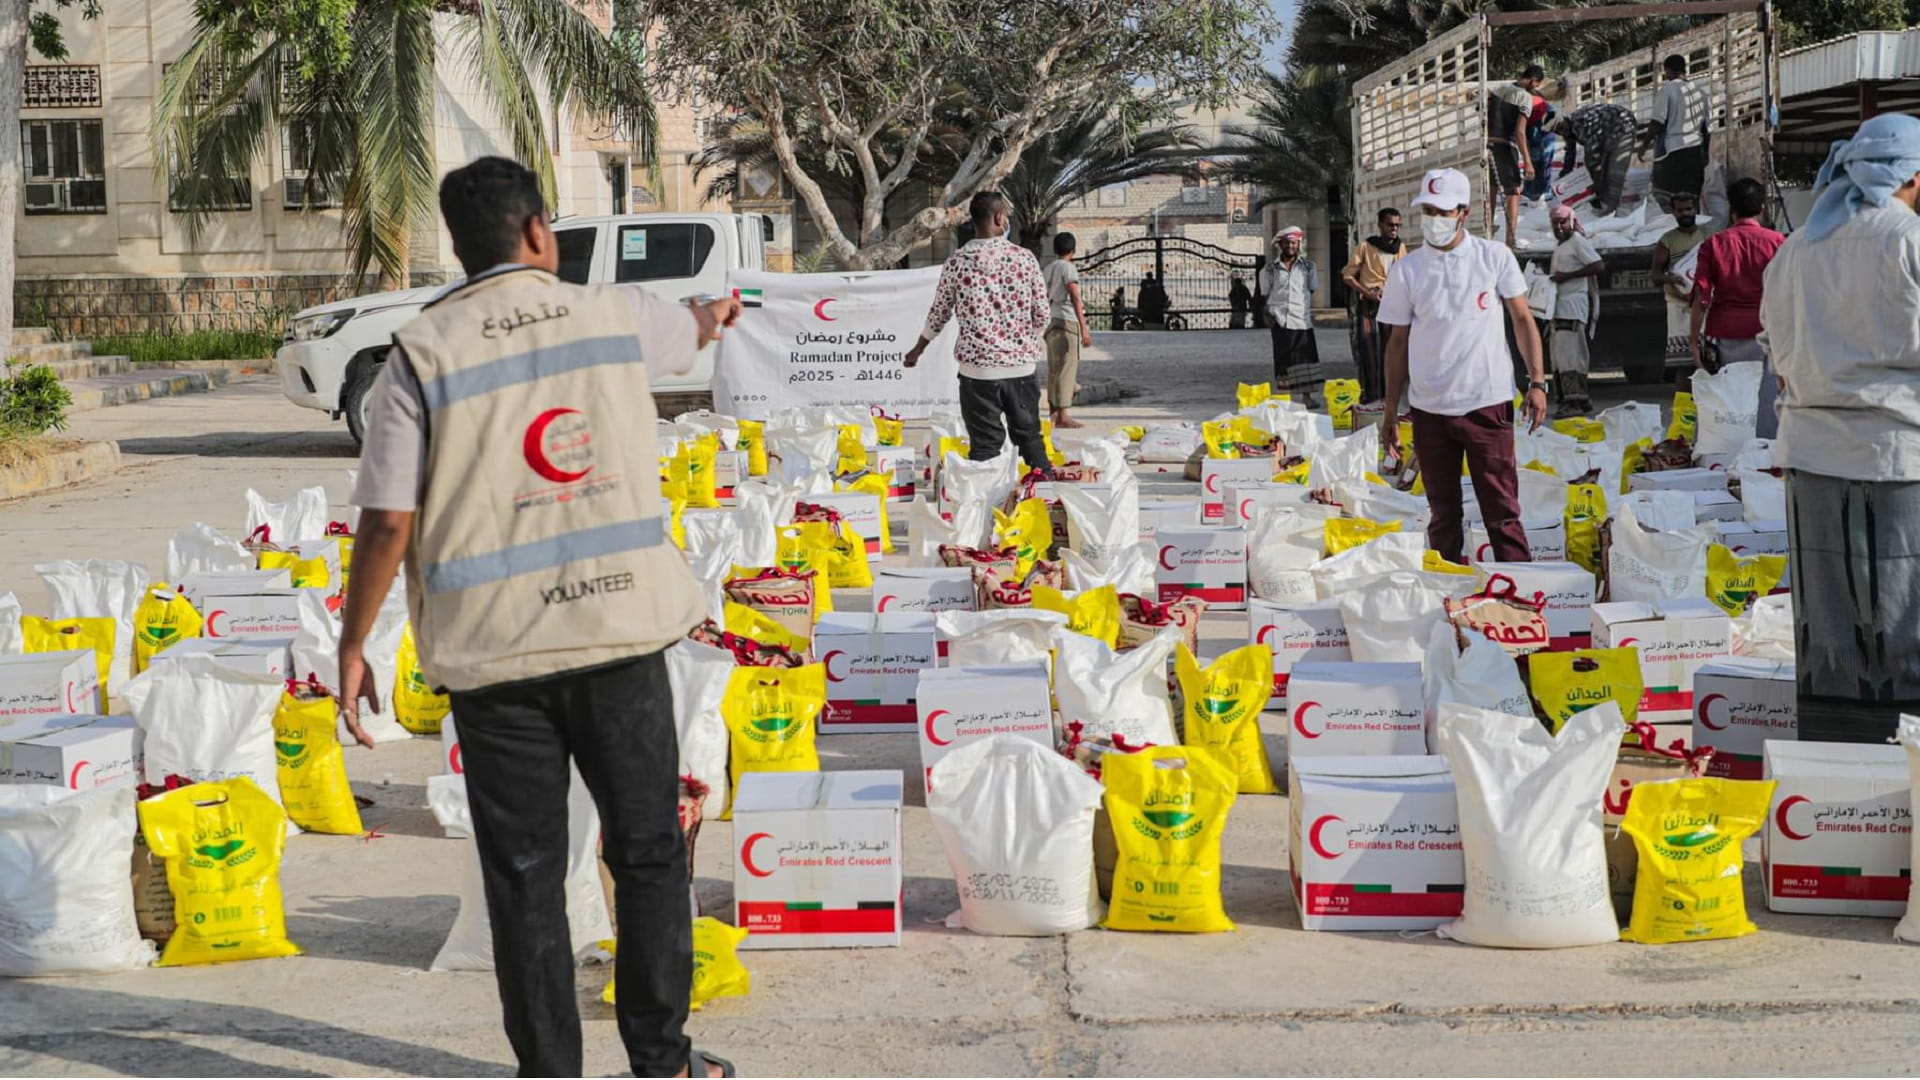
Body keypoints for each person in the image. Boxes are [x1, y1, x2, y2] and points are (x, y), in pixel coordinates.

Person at [339, 156, 739, 1080]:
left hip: (495, 662)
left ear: (459, 245)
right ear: (536, 231)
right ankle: (663, 1064)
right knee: (646, 853)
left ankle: (550, 1073)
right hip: (618, 638)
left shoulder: (419, 353)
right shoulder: (612, 314)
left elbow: (389, 519)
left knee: (525, 878)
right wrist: (716, 314)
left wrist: (355, 641)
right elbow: (692, 326)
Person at [1759, 112, 1920, 744]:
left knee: (1827, 622)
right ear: (1912, 175)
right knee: (1902, 612)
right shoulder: (1907, 239)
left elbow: (1778, 350)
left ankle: (1831, 758)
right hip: (1896, 454)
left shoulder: (1798, 247)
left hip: (1812, 456)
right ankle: (1903, 756)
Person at [1378, 167, 1549, 564]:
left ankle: (1518, 589)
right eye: (1428, 211)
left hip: (1486, 404)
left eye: (1442, 212)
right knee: (1443, 513)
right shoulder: (1407, 270)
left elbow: (1523, 320)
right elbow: (1397, 343)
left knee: (1502, 512)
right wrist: (1390, 410)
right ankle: (1448, 589)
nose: (1434, 220)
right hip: (1430, 410)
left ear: (1463, 213)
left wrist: (1538, 383)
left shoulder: (1493, 257)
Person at [904, 191, 1054, 475]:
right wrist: (1023, 342)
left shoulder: (957, 262)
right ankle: (1043, 493)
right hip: (1020, 369)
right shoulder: (1025, 259)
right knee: (1030, 440)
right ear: (999, 218)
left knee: (985, 448)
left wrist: (917, 349)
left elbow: (939, 313)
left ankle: (985, 498)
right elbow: (1043, 314)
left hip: (977, 373)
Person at [1692, 176, 1786, 436]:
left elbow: (1701, 295)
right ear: (1762, 209)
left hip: (1723, 334)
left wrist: (1693, 341)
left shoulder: (1714, 244)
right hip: (1767, 333)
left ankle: (1725, 447)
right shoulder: (1779, 242)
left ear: (1731, 209)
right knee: (1766, 399)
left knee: (1725, 399)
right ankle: (1765, 450)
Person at [1341, 207, 1406, 404]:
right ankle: (1370, 395)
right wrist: (1367, 292)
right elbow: (1348, 276)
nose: (1394, 229)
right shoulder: (1365, 247)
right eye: (1390, 225)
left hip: (1393, 304)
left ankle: (1390, 396)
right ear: (1380, 225)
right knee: (1369, 349)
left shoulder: (1401, 248)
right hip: (1370, 305)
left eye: (1397, 225)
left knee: (1392, 349)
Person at [1546, 203, 1605, 417]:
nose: (1559, 227)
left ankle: (1573, 403)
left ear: (1571, 221)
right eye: (1555, 223)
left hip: (1572, 308)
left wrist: (1567, 277)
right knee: (1561, 356)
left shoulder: (1578, 242)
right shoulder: (1561, 245)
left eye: (1562, 222)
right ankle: (1580, 399)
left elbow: (1598, 265)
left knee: (1569, 355)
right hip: (1560, 307)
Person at [1259, 225, 1322, 407]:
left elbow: (1312, 288)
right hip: (1280, 320)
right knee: (1283, 360)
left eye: (1294, 243)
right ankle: (1285, 399)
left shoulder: (1309, 267)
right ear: (1281, 245)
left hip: (1302, 320)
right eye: (1287, 243)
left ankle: (1306, 397)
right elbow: (1265, 293)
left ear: (1298, 244)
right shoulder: (1270, 269)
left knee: (1305, 360)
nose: (1290, 246)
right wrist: (1268, 315)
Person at [1487, 63, 1545, 249]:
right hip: (1504, 146)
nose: (1535, 89)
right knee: (1513, 192)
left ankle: (1487, 235)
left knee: (1491, 190)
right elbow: (1520, 132)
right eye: (1537, 85)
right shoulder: (1524, 97)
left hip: (1487, 146)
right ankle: (1510, 240)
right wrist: (1527, 161)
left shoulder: (1498, 89)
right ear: (1533, 80)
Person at [1652, 193, 1710, 374]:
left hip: (1705, 305)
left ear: (1695, 210)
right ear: (1673, 212)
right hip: (1679, 306)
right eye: (1680, 210)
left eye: (1688, 209)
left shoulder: (1708, 236)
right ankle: (1683, 395)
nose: (1685, 213)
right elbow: (1655, 275)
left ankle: (1707, 393)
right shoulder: (1667, 240)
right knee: (1684, 366)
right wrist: (1671, 279)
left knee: (1709, 359)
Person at [1548, 102, 1639, 216]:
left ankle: (1611, 209)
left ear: (1564, 119)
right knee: (1598, 168)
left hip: (1622, 125)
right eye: (1557, 131)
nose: (1561, 132)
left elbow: (1594, 160)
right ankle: (1603, 199)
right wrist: (1562, 182)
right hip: (1606, 130)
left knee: (1614, 172)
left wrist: (1596, 187)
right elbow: (1570, 156)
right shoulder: (1568, 128)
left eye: (1560, 128)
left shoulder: (1581, 125)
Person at [1043, 231, 1093, 429]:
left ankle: (1053, 414)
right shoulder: (1068, 268)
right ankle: (1063, 415)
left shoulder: (1048, 268)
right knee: (1067, 369)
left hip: (1051, 320)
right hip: (1067, 322)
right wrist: (1084, 328)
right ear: (1073, 250)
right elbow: (1075, 297)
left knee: (1054, 369)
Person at [1649, 53, 1710, 213]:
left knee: (1669, 198)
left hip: (1674, 153)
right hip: (1695, 152)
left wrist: (1643, 145)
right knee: (1692, 197)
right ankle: (1694, 225)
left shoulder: (1667, 90)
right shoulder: (1700, 92)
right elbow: (1706, 128)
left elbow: (1656, 122)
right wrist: (1706, 153)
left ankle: (1673, 226)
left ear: (1668, 70)